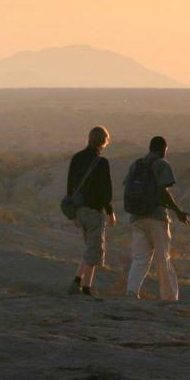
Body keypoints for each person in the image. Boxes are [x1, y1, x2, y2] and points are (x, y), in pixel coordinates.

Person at [123, 136, 190, 301]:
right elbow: (164, 192)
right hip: (156, 217)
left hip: (137, 217)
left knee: (140, 258)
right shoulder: (161, 164)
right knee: (163, 258)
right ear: (163, 148)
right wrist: (178, 211)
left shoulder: (136, 165)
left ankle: (131, 292)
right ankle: (169, 297)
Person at [65, 126, 114, 296]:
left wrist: (72, 214)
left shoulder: (77, 158)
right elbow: (105, 192)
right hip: (94, 211)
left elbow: (70, 187)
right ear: (103, 142)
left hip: (79, 210)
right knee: (94, 250)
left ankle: (77, 281)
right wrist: (110, 211)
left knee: (89, 248)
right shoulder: (102, 163)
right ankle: (86, 289)